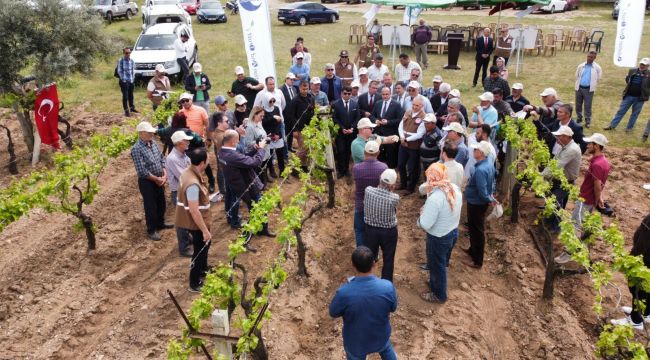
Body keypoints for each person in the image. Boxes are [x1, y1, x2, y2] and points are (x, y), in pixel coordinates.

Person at [329, 246, 398, 360]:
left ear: (353, 266)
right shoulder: (387, 287)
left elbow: (333, 312)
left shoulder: (344, 292)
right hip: (380, 336)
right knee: (386, 348)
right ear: (374, 264)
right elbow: (393, 308)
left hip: (356, 342)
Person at [555, 133, 610, 264]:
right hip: (590, 200)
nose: (588, 145)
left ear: (596, 146)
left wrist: (597, 200)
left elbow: (597, 185)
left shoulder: (597, 164)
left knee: (575, 226)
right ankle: (582, 250)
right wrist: (600, 197)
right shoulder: (604, 162)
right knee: (585, 226)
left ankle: (568, 254)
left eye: (590, 144)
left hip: (585, 200)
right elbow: (601, 184)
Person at [418, 163, 463, 303]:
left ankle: (439, 295)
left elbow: (425, 224)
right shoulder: (454, 188)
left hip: (438, 237)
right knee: (442, 263)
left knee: (437, 266)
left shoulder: (435, 198)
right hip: (452, 231)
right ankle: (434, 283)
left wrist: (420, 216)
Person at [219, 129, 276, 239]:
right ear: (233, 141)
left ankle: (258, 228)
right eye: (237, 139)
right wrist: (261, 149)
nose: (238, 141)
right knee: (259, 207)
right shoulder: (232, 155)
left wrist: (254, 150)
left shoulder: (222, 152)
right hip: (247, 187)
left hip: (238, 186)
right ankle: (259, 231)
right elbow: (255, 162)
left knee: (253, 208)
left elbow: (243, 159)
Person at [175, 147, 213, 292]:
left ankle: (203, 270)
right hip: (197, 223)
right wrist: (204, 231)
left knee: (205, 246)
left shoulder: (189, 171)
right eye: (208, 159)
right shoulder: (192, 183)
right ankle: (194, 282)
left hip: (198, 220)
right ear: (202, 162)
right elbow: (194, 210)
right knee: (199, 251)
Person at [131, 121, 172, 241]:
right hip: (147, 182)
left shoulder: (153, 143)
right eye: (149, 133)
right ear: (141, 133)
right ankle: (152, 229)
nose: (152, 134)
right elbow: (141, 170)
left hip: (159, 179)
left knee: (161, 202)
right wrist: (156, 179)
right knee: (150, 206)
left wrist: (164, 173)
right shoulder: (136, 149)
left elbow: (161, 158)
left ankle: (161, 223)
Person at [610, 214, 650, 330]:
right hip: (644, 255)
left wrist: (636, 256)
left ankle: (636, 320)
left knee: (639, 287)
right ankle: (646, 313)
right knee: (646, 286)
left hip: (645, 258)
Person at [462, 140, 497, 269]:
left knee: (477, 230)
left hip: (477, 203)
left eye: (476, 149)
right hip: (478, 202)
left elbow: (482, 191)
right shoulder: (488, 164)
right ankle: (472, 250)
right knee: (474, 228)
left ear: (481, 153)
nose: (473, 151)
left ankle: (477, 261)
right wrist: (490, 196)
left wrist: (489, 198)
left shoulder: (481, 170)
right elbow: (492, 182)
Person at [541, 126, 582, 233]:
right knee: (553, 202)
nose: (556, 138)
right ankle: (548, 222)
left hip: (564, 183)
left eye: (558, 136)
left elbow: (557, 166)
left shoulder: (572, 150)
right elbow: (553, 162)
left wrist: (541, 176)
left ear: (565, 137)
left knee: (554, 203)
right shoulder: (565, 146)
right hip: (558, 180)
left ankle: (556, 228)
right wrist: (544, 173)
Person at [363, 169, 400, 282]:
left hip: (370, 230)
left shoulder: (368, 190)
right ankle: (386, 283)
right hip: (388, 232)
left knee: (369, 256)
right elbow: (395, 209)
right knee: (388, 258)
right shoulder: (394, 198)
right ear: (393, 185)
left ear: (380, 178)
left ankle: (366, 280)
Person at [352, 141, 388, 247]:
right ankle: (373, 254)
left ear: (364, 152)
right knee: (374, 232)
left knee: (359, 230)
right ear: (378, 153)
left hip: (361, 204)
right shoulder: (383, 168)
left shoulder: (356, 168)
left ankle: (362, 256)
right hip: (377, 206)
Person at [166, 131, 193, 257]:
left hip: (186, 189)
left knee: (189, 216)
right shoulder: (172, 158)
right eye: (185, 140)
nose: (188, 142)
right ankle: (184, 248)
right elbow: (184, 176)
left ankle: (188, 239)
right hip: (179, 192)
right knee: (182, 222)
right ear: (178, 143)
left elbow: (190, 169)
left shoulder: (183, 154)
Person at [604, 58, 650, 131]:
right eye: (641, 64)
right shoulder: (632, 70)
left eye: (644, 65)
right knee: (620, 111)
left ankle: (629, 129)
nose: (642, 66)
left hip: (640, 98)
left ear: (648, 66)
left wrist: (647, 93)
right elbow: (628, 81)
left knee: (634, 114)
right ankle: (612, 126)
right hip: (629, 96)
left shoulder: (649, 74)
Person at [397, 96, 426, 195]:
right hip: (403, 143)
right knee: (400, 164)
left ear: (422, 106)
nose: (414, 107)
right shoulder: (408, 112)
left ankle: (410, 188)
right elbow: (401, 125)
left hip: (414, 146)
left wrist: (406, 139)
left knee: (413, 168)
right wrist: (401, 137)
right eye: (413, 104)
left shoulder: (423, 117)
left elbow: (420, 134)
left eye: (417, 105)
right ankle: (403, 183)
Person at [332, 86, 360, 177]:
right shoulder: (336, 104)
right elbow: (334, 118)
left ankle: (346, 169)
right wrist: (342, 128)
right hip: (340, 133)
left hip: (351, 133)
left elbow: (357, 118)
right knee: (341, 151)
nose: (347, 95)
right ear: (341, 93)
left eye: (349, 94)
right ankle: (341, 170)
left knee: (348, 151)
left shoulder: (355, 104)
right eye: (345, 93)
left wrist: (352, 128)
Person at [285, 81, 315, 170]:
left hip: (310, 127)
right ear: (299, 88)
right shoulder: (295, 100)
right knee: (302, 149)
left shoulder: (311, 97)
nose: (305, 91)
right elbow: (291, 116)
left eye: (306, 89)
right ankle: (293, 166)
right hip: (300, 128)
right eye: (303, 89)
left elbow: (313, 110)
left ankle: (304, 165)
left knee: (308, 149)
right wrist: (295, 130)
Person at [372, 87, 402, 169]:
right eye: (383, 94)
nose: (385, 96)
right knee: (379, 152)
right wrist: (375, 121)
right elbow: (372, 116)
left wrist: (388, 122)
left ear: (390, 94)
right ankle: (380, 168)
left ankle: (391, 169)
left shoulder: (396, 104)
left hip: (390, 133)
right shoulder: (378, 103)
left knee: (391, 153)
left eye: (387, 94)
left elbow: (399, 119)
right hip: (379, 133)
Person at [574, 51, 602, 128]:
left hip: (589, 90)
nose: (589, 58)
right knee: (578, 104)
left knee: (587, 106)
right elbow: (577, 75)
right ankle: (579, 118)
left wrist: (592, 85)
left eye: (591, 57)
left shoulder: (597, 68)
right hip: (579, 88)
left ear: (594, 58)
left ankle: (587, 120)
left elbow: (598, 78)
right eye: (588, 56)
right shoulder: (581, 66)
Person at [261, 94, 285, 180]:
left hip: (277, 134)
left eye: (273, 101)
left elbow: (279, 122)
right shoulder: (262, 110)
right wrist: (273, 118)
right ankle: (271, 170)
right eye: (270, 101)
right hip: (268, 135)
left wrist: (278, 134)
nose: (272, 103)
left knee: (280, 154)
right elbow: (264, 123)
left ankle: (282, 171)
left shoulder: (276, 108)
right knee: (269, 155)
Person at [211, 112, 230, 199]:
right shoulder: (222, 136)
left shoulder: (217, 132)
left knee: (220, 170)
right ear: (219, 123)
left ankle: (223, 191)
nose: (228, 123)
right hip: (226, 161)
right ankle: (225, 192)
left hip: (221, 158)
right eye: (226, 121)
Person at [116, 47, 138, 117]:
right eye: (126, 53)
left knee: (131, 95)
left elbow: (133, 70)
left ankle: (132, 108)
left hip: (131, 80)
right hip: (124, 81)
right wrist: (124, 80)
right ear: (124, 53)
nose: (128, 54)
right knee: (125, 97)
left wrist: (133, 78)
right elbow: (119, 71)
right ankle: (126, 111)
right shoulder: (121, 61)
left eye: (129, 52)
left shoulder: (132, 61)